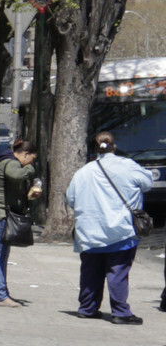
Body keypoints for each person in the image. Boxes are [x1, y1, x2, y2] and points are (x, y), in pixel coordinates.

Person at [65, 130, 152, 325]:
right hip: (121, 230)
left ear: (95, 149)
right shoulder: (128, 166)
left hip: (90, 232)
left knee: (90, 272)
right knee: (118, 272)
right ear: (114, 146)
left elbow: (70, 198)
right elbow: (147, 183)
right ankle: (120, 312)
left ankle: (87, 308)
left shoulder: (83, 172)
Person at [0, 137, 41, 307]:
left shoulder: (6, 161)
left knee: (2, 254)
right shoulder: (11, 163)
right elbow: (15, 175)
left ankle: (2, 292)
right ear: (25, 154)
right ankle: (0, 295)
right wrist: (30, 169)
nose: (31, 163)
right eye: (32, 159)